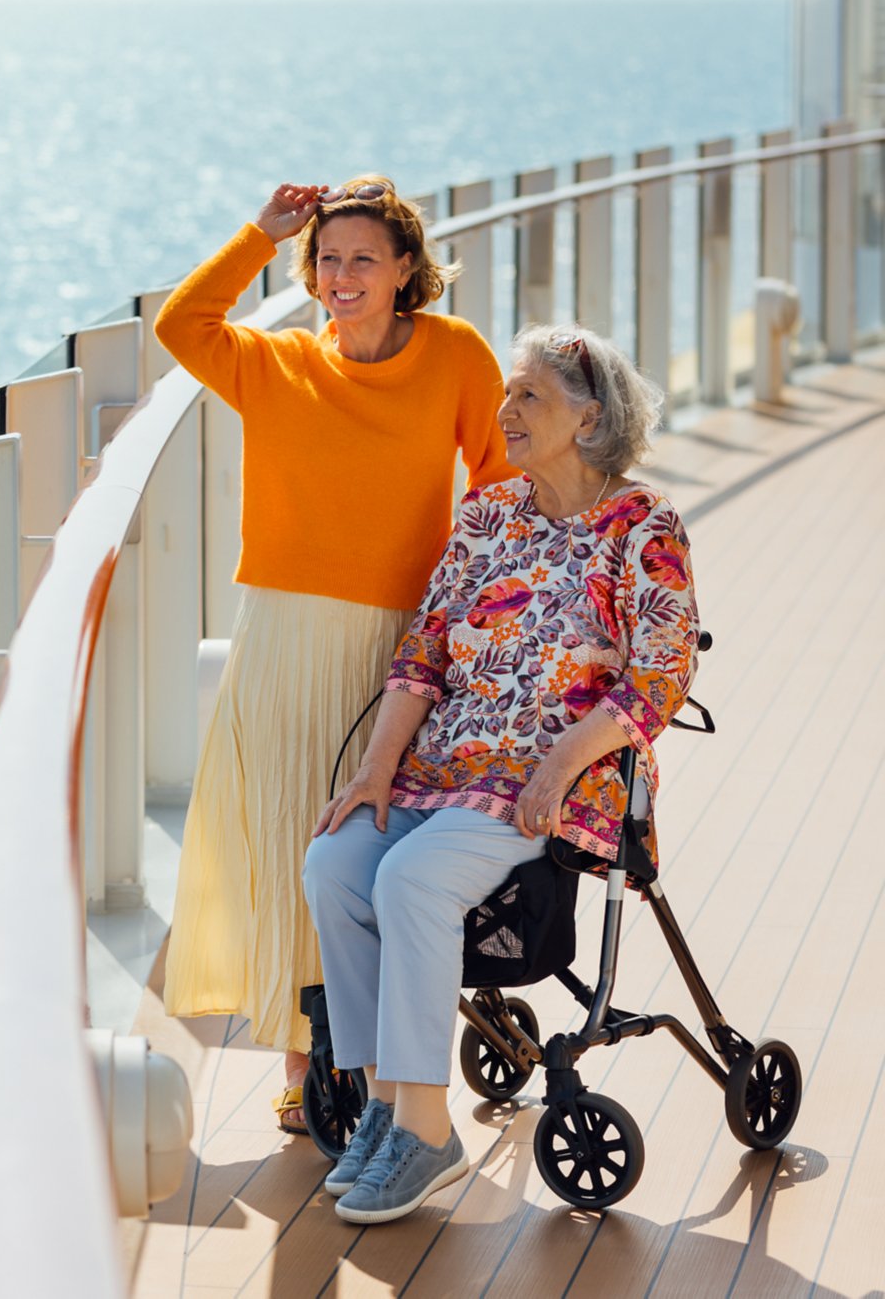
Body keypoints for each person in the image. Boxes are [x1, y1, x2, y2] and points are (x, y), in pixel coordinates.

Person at [301, 324, 698, 1225]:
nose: (505, 410)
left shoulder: (645, 527)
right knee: (334, 861)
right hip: (440, 766)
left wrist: (558, 764)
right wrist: (374, 771)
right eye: (508, 393)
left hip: (555, 779)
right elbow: (425, 651)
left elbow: (662, 673)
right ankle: (385, 1108)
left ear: (589, 417)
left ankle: (429, 1133)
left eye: (529, 397)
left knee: (409, 877)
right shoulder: (489, 514)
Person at [156, 177, 513, 1133]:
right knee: (291, 847)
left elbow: (502, 480)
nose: (341, 275)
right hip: (281, 645)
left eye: (363, 257)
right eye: (325, 258)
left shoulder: (455, 355)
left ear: (407, 269)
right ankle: (303, 1065)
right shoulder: (274, 367)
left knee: (370, 849)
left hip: (400, 652)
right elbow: (182, 326)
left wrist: (481, 608)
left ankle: (386, 1065)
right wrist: (258, 235)